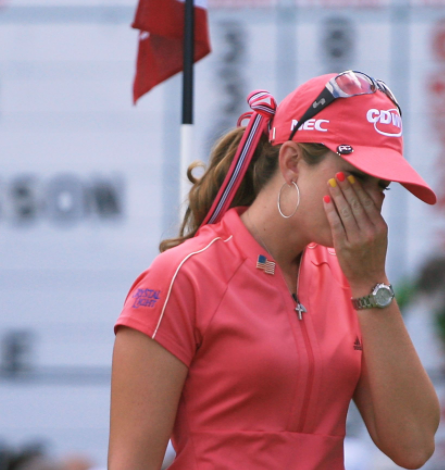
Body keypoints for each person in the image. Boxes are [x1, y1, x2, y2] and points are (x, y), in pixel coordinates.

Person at [108, 72, 441, 470]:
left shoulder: (353, 282)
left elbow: (414, 445)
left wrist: (373, 283)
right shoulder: (182, 276)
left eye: (382, 186)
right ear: (292, 162)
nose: (369, 201)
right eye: (356, 177)